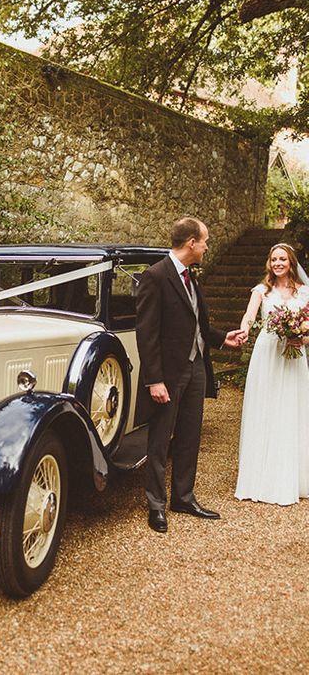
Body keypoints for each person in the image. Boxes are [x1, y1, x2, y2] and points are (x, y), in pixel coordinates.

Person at [136, 217, 245, 533]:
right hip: (167, 373)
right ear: (191, 243)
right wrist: (154, 379)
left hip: (197, 367)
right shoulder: (155, 276)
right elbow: (147, 333)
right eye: (205, 241)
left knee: (189, 435)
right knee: (159, 439)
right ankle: (156, 505)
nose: (208, 246)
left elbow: (196, 325)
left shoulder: (191, 279)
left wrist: (224, 338)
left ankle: (183, 497)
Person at [235, 243, 309, 505]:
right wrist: (243, 331)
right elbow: (248, 317)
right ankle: (260, 476)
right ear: (269, 263)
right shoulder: (261, 291)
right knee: (265, 408)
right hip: (267, 352)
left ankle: (292, 477)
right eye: (274, 259)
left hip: (293, 357)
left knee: (291, 408)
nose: (278, 263)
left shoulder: (304, 292)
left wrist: (302, 337)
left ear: (291, 262)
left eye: (283, 259)